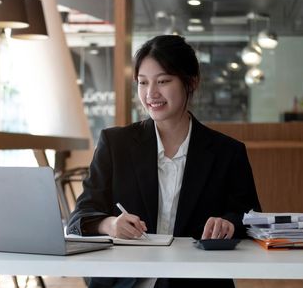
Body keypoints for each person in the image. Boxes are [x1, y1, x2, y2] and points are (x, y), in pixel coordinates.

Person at [67, 35, 261, 288]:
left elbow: (251, 219)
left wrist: (228, 224)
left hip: (197, 282)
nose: (151, 93)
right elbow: (79, 218)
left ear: (191, 82)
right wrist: (111, 224)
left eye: (163, 81)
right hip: (125, 282)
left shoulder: (227, 152)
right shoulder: (115, 144)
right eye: (143, 82)